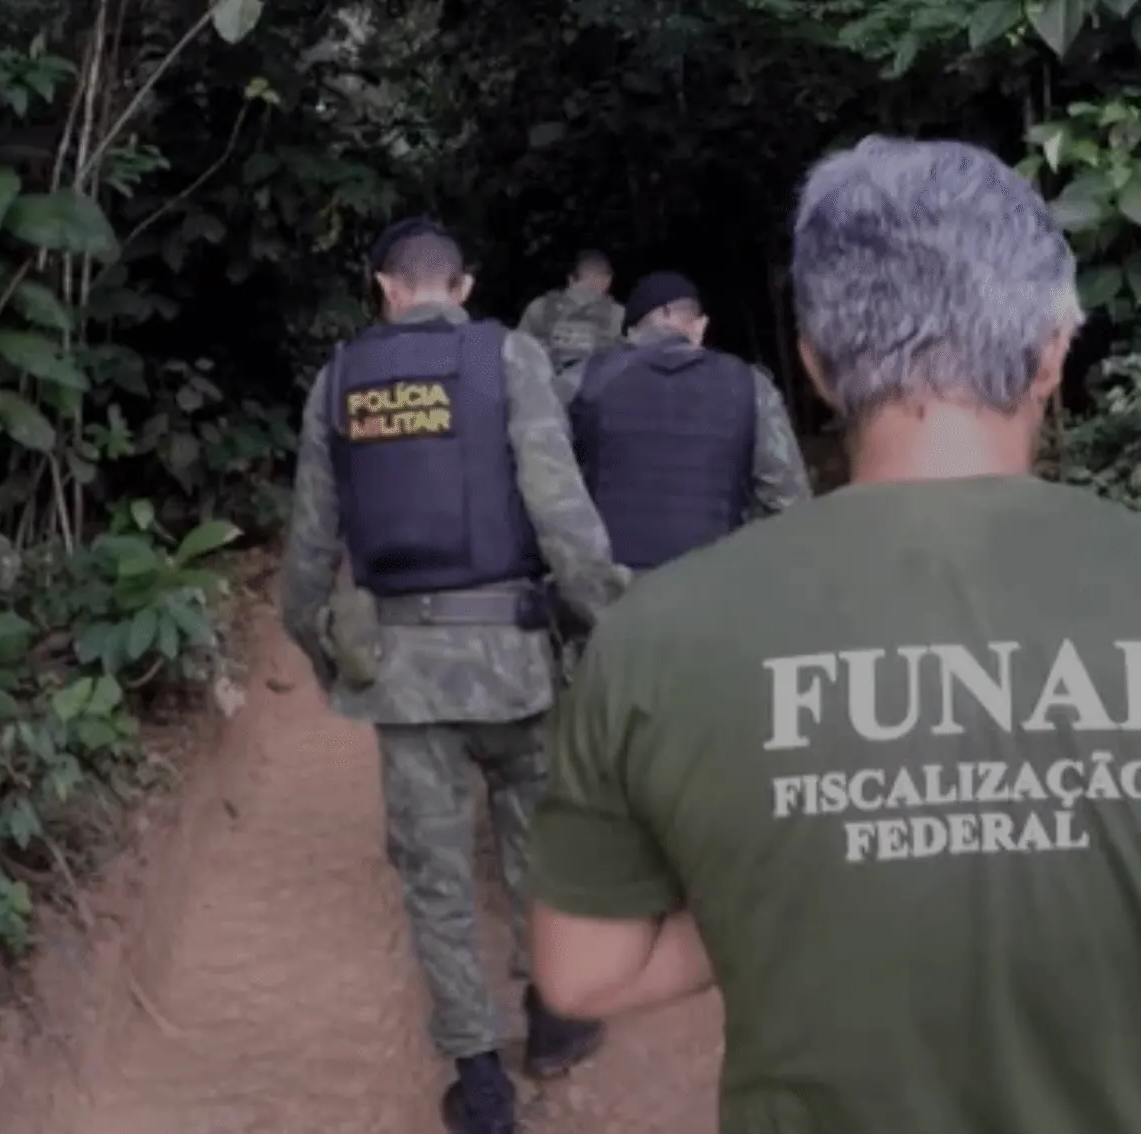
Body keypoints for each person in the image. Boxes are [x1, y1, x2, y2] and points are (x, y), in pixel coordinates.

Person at [524, 139, 1141, 1134]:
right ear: (1049, 354)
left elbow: (585, 969)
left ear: (816, 365)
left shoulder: (657, 636)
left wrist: (786, 895)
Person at [276, 217, 626, 1134]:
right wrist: (603, 622)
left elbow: (309, 553)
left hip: (404, 675)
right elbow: (561, 511)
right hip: (515, 662)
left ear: (382, 287)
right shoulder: (507, 359)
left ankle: (479, 1081)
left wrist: (329, 657)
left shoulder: (340, 380)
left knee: (434, 876)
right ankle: (552, 1019)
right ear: (460, 287)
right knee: (537, 846)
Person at [554, 269, 814, 575]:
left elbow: (547, 488)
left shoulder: (581, 382)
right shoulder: (750, 387)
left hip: (613, 598)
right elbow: (790, 504)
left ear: (630, 333)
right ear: (700, 326)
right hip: (714, 591)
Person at [516, 249, 623, 374]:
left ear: (570, 279)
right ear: (608, 279)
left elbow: (516, 356)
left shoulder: (539, 307)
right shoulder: (619, 315)